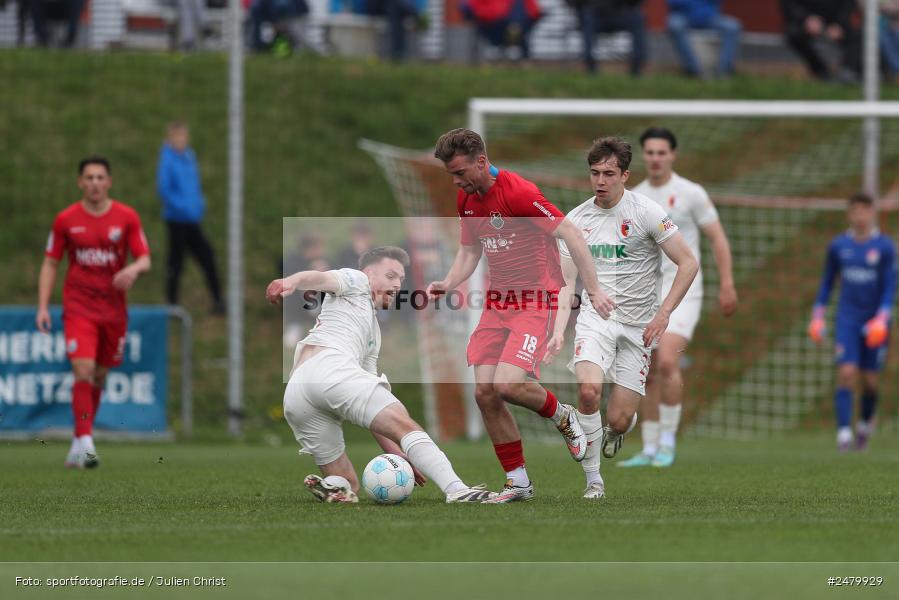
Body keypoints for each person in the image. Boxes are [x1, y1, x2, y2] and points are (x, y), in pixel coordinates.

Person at [427, 128, 615, 503]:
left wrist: (592, 288)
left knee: (508, 385)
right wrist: (448, 282)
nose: (457, 180)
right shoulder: (467, 199)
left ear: (482, 161)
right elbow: (469, 251)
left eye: (461, 172)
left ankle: (564, 415)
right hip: (498, 305)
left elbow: (573, 235)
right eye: (451, 174)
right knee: (485, 393)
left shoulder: (519, 192)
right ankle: (518, 483)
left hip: (534, 302)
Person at [267, 246, 495, 503]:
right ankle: (458, 489)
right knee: (405, 424)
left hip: (298, 392)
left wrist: (400, 454)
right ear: (369, 273)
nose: (397, 284)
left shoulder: (371, 336)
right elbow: (319, 278)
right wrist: (290, 281)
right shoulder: (355, 280)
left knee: (349, 485)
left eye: (401, 279)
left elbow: (373, 414)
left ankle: (333, 487)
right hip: (330, 368)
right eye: (390, 275)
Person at [544, 137, 698, 499]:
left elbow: (688, 263)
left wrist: (663, 315)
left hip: (638, 327)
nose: (601, 180)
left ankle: (618, 429)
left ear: (625, 175)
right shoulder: (575, 221)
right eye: (595, 173)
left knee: (618, 418)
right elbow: (566, 282)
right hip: (595, 321)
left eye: (609, 173)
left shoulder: (647, 212)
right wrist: (556, 331)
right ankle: (594, 481)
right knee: (587, 392)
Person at [616, 127, 737, 468]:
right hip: (646, 294)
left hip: (685, 291)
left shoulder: (691, 193)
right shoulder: (634, 197)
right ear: (644, 156)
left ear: (673, 155)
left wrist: (727, 283)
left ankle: (668, 443)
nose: (655, 158)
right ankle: (650, 447)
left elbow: (717, 239)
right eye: (650, 153)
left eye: (661, 152)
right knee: (649, 369)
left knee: (668, 360)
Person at [36, 156, 151, 469]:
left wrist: (132, 270)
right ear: (80, 183)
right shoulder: (66, 220)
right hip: (79, 307)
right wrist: (44, 306)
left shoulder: (126, 217)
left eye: (100, 177)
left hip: (113, 311)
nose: (95, 183)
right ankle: (87, 444)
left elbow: (145, 259)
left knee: (99, 375)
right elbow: (50, 262)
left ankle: (78, 440)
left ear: (109, 182)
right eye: (89, 177)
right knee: (83, 370)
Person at [808, 193, 895, 451]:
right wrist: (818, 314)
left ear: (872, 214)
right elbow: (827, 282)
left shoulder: (885, 247)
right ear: (850, 214)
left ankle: (865, 425)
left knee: (870, 380)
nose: (860, 216)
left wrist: (883, 317)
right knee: (846, 373)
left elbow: (890, 286)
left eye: (865, 211)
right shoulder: (838, 246)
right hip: (847, 319)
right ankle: (844, 433)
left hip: (876, 322)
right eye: (855, 211)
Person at [157, 121, 225, 315]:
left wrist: (198, 204)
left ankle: (218, 301)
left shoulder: (189, 156)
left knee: (208, 257)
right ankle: (171, 305)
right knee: (176, 263)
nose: (180, 140)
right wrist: (185, 208)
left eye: (183, 136)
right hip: (177, 221)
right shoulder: (167, 161)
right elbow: (165, 191)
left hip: (192, 220)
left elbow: (194, 186)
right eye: (176, 137)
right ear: (169, 139)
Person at [779, 0, 861, 82]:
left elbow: (848, 3)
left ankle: (848, 71)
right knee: (793, 34)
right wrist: (806, 18)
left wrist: (839, 23)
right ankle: (821, 72)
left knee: (857, 37)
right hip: (806, 19)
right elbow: (788, 4)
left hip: (834, 20)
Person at [565, 0, 647, 76]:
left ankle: (637, 65)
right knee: (587, 17)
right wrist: (581, 7)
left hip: (619, 13)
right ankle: (590, 65)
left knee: (637, 18)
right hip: (594, 15)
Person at [667, 0, 742, 77]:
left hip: (708, 17)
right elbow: (673, 2)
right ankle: (693, 70)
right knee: (674, 26)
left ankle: (723, 70)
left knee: (732, 26)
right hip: (683, 16)